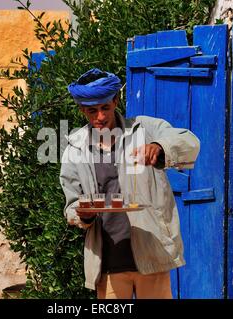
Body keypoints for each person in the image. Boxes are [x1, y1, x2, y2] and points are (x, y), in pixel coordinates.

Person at [59, 68, 200, 299]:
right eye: (92, 111)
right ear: (83, 110)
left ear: (115, 100)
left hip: (152, 254)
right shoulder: (75, 148)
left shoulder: (144, 129)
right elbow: (72, 204)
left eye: (105, 107)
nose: (100, 117)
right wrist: (83, 214)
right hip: (107, 262)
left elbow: (189, 141)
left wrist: (161, 147)